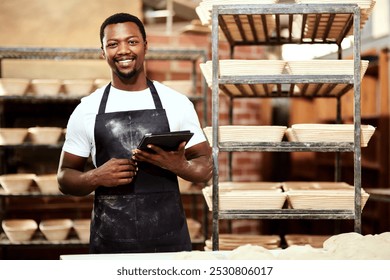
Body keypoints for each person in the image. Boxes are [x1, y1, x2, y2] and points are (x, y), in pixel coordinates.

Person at [57, 12, 213, 254]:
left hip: (168, 245)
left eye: (132, 41)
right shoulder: (87, 108)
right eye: (112, 44)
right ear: (102, 52)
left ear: (145, 46)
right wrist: (95, 177)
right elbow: (65, 178)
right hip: (110, 244)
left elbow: (205, 167)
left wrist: (178, 165)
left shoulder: (176, 103)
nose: (123, 50)